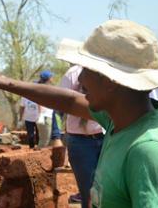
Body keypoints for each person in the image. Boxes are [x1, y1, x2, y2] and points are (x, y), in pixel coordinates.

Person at [0, 20, 158, 207]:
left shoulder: (146, 152)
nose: (81, 81)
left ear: (110, 81)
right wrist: (0, 82)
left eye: (86, 70)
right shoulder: (123, 119)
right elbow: (68, 100)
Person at [57, 65, 105, 208]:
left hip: (105, 136)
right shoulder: (72, 74)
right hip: (80, 141)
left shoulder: (105, 71)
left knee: (108, 189)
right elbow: (60, 101)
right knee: (88, 193)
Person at [19, 71, 55, 149]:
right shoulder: (27, 95)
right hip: (33, 118)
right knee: (33, 137)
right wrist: (20, 119)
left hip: (39, 117)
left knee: (41, 137)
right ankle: (33, 150)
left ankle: (37, 151)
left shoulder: (46, 90)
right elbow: (22, 107)